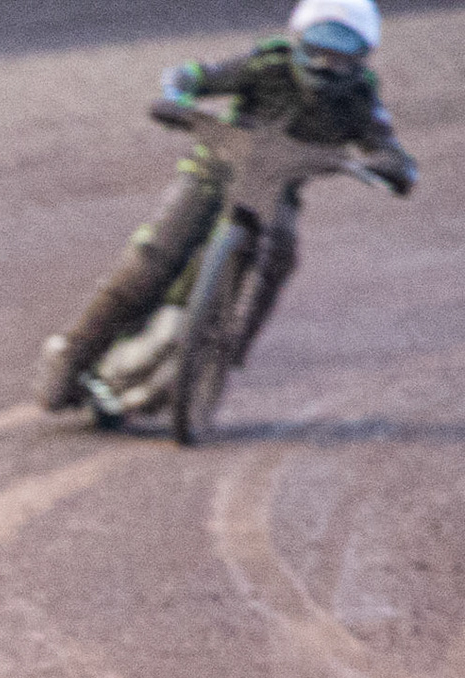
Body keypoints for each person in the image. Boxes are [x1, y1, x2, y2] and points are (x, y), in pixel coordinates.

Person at [33, 0, 417, 413]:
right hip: (212, 172)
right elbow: (200, 74)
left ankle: (228, 350)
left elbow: (390, 149)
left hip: (275, 191)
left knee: (281, 258)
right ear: (298, 41)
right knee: (154, 259)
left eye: (341, 58)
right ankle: (73, 354)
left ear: (361, 61)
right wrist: (176, 93)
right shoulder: (267, 66)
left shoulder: (361, 98)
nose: (325, 66)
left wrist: (392, 166)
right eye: (317, 50)